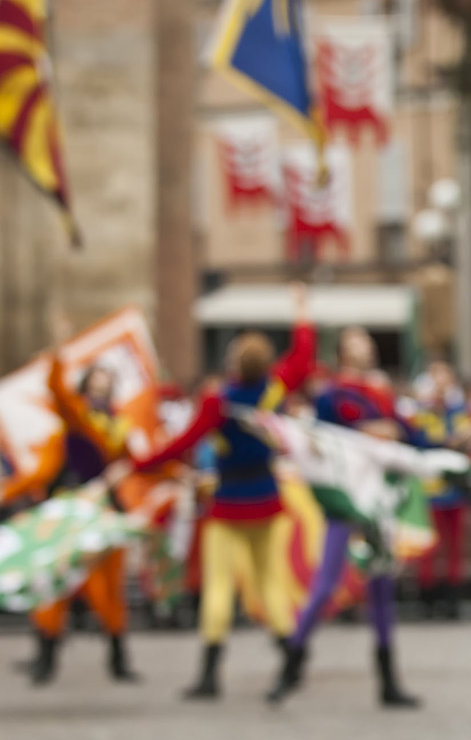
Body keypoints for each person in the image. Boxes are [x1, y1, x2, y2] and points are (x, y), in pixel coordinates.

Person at [132, 283, 315, 700]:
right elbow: (303, 359)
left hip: (229, 503)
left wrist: (140, 464)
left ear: (234, 362)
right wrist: (301, 310)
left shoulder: (219, 401)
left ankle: (210, 675)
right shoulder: (273, 391)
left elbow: (181, 444)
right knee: (271, 584)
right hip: (267, 498)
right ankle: (290, 653)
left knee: (218, 587)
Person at [267, 326, 420, 707]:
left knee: (382, 586)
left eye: (367, 340)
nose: (364, 347)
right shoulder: (333, 394)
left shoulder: (382, 393)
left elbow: (408, 433)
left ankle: (388, 681)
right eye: (355, 341)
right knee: (325, 583)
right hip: (346, 497)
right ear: (344, 352)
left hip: (378, 498)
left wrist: (432, 443)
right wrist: (366, 431)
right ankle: (292, 664)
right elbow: (322, 435)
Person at [21, 315, 139, 685]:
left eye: (108, 378)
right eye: (96, 377)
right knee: (54, 585)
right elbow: (58, 389)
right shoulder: (77, 418)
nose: (102, 382)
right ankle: (45, 657)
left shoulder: (120, 425)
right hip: (70, 508)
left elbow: (135, 462)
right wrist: (60, 351)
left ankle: (118, 659)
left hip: (104, 509)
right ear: (87, 384)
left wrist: (127, 472)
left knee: (109, 589)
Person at [412, 361, 471, 617]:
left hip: (456, 487)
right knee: (430, 547)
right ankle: (427, 596)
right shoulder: (422, 410)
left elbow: (469, 435)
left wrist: (466, 439)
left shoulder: (460, 408)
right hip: (430, 489)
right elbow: (420, 440)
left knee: (455, 547)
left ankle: (452, 597)